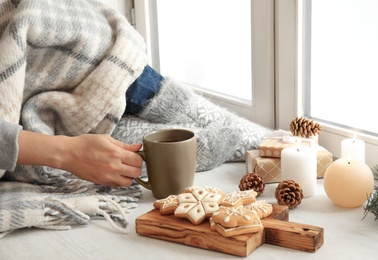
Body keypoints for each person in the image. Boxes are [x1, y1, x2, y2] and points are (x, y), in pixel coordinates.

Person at [0, 0, 270, 188]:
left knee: (70, 30)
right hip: (22, 122)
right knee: (105, 137)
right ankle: (184, 150)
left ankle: (263, 140)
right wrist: (66, 153)